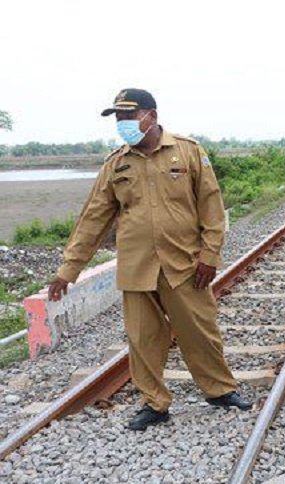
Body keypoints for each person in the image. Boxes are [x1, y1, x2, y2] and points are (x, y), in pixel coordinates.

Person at [48, 88, 252, 431]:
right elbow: (93, 220)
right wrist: (68, 271)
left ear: (151, 116)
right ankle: (154, 404)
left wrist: (209, 254)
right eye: (118, 118)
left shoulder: (187, 152)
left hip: (185, 264)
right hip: (137, 267)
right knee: (143, 340)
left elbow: (211, 208)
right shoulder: (116, 164)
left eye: (128, 116)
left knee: (200, 332)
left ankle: (219, 390)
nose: (122, 124)